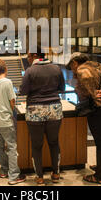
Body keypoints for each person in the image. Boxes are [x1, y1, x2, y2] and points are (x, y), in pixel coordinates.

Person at [66, 53, 101, 185]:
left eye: (71, 67)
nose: (72, 70)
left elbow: (85, 86)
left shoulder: (81, 70)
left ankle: (99, 176)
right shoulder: (95, 66)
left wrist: (91, 92)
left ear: (74, 63)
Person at [19, 47, 65, 185]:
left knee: (37, 145)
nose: (27, 59)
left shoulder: (30, 71)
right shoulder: (56, 68)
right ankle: (56, 174)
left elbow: (23, 91)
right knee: (54, 142)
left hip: (35, 111)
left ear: (34, 55)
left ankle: (39, 177)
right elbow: (62, 88)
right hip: (54, 110)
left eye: (28, 56)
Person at [0, 60, 26, 185]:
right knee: (11, 147)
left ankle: (3, 170)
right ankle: (14, 176)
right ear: (5, 69)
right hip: (5, 118)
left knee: (0, 147)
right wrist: (11, 113)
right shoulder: (7, 82)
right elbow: (12, 101)